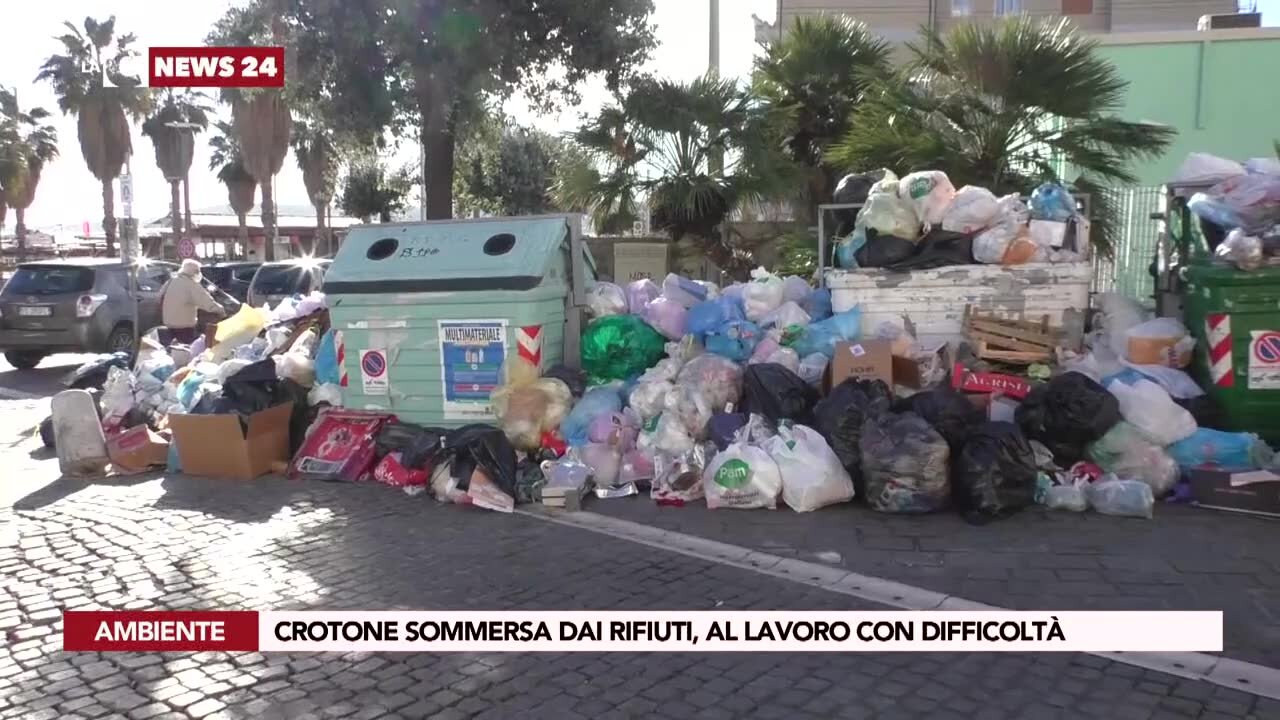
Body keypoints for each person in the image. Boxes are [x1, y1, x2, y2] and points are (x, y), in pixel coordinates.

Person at [161, 259, 226, 345]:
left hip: (168, 325)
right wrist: (221, 311)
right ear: (194, 272)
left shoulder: (170, 282)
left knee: (174, 351)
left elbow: (161, 296)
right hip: (184, 327)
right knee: (187, 352)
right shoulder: (190, 284)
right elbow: (206, 302)